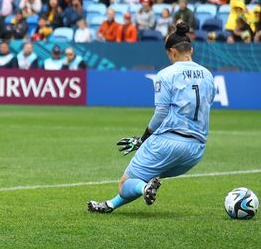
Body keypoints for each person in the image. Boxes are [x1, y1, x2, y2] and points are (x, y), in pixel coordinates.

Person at [88, 22, 215, 214]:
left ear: (172, 52)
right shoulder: (208, 75)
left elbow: (161, 113)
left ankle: (144, 189)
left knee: (127, 183)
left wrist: (143, 138)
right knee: (147, 175)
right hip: (195, 150)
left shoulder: (166, 74)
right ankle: (110, 205)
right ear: (191, 50)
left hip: (167, 142)